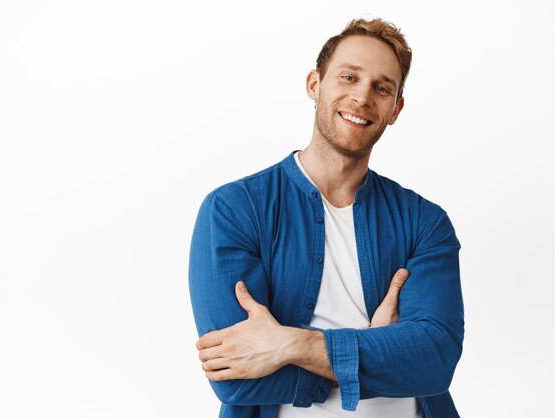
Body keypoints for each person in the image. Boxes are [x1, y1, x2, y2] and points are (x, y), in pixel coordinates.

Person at [189, 17, 464, 418]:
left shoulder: (425, 222)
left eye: (382, 87)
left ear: (395, 110)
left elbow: (435, 361)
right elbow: (234, 377)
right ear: (315, 85)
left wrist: (291, 345)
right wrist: (379, 351)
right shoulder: (235, 209)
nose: (363, 97)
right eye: (348, 77)